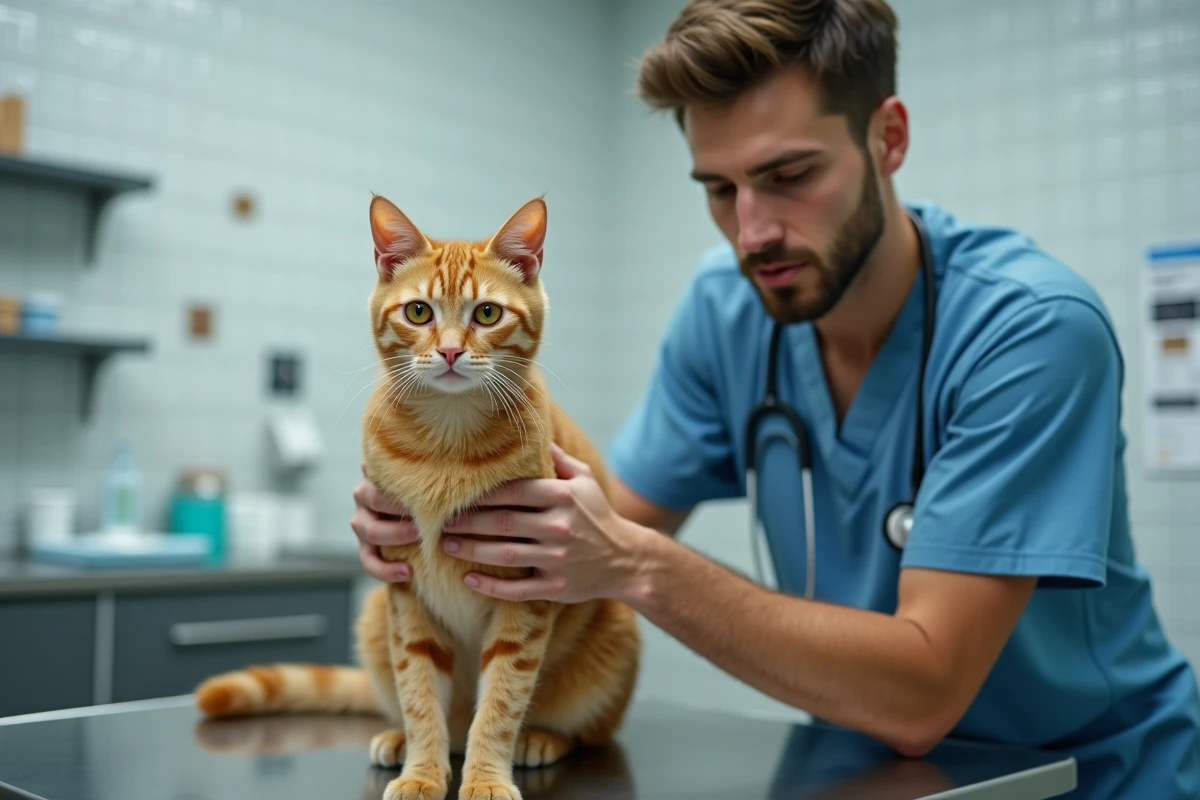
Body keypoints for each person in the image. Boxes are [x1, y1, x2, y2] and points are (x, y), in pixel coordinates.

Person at [350, 0, 1200, 796]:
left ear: (888, 138)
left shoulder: (1034, 332)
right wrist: (441, 525)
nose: (751, 231)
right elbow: (600, 524)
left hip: (1086, 778)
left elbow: (920, 697)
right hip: (866, 772)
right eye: (719, 189)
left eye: (789, 174)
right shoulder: (727, 308)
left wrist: (637, 566)